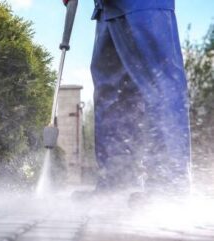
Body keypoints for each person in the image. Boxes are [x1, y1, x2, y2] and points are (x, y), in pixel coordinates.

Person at [64, 0, 191, 201]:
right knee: (111, 91)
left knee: (159, 81)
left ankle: (169, 186)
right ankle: (118, 181)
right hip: (108, 7)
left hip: (144, 5)